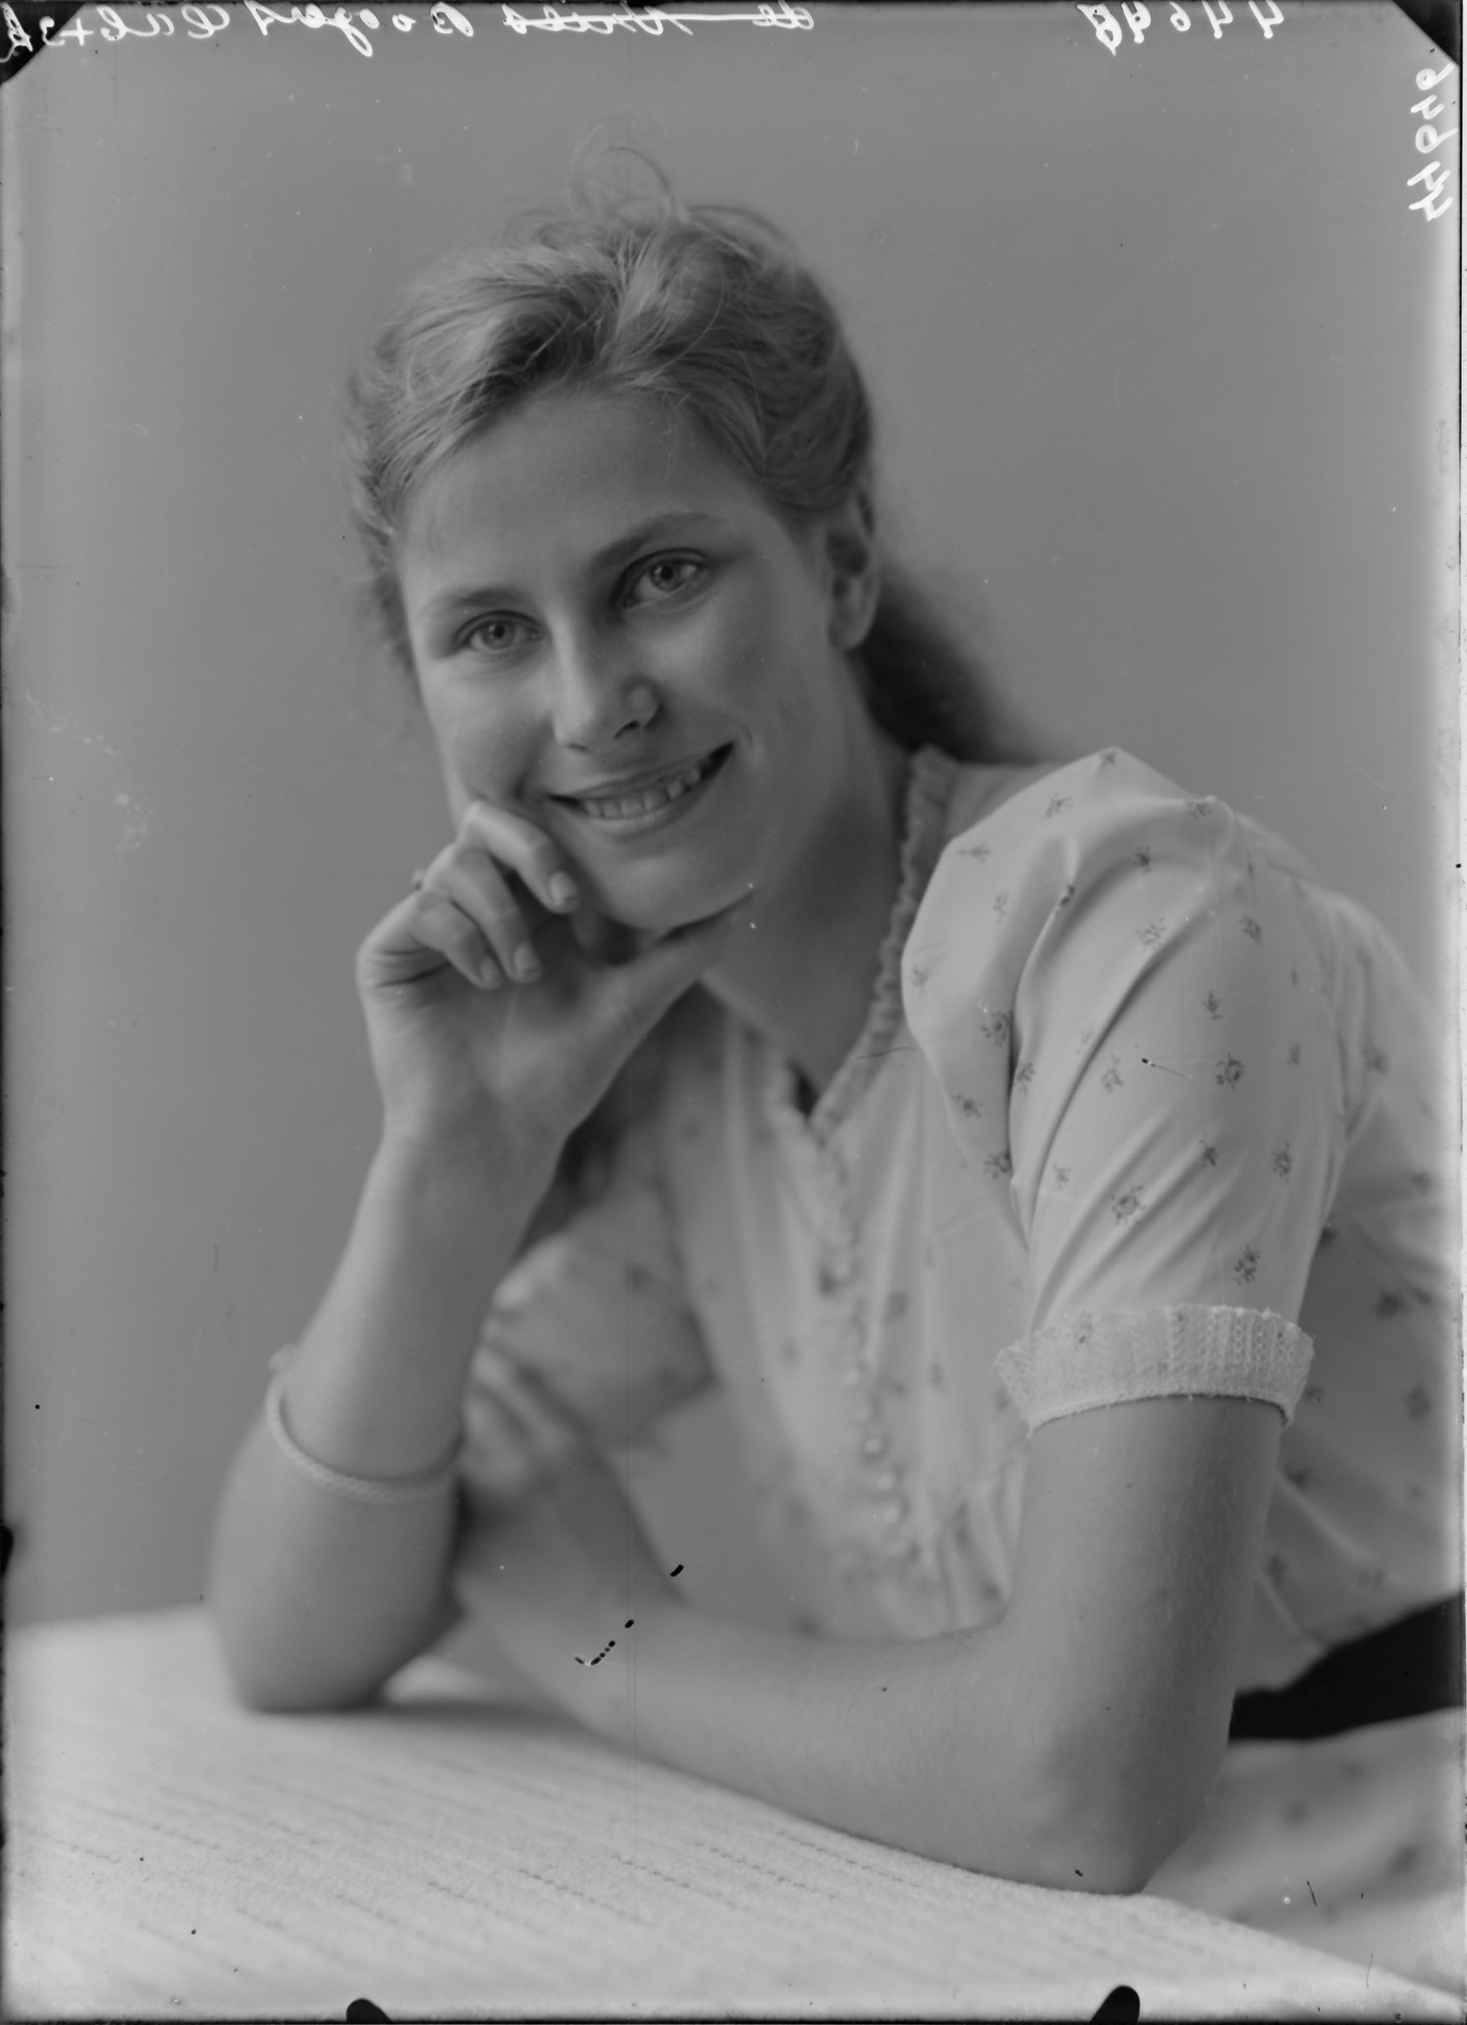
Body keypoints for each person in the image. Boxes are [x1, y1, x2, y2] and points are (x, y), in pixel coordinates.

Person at [209, 184, 1460, 1978]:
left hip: (1384, 1949)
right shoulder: (698, 1078)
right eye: (488, 628)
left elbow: (1083, 1780)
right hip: (1018, 1965)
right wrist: (452, 1157)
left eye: (658, 577)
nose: (592, 703)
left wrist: (614, 1643)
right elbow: (287, 1631)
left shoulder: (1132, 926)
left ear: (845, 565)